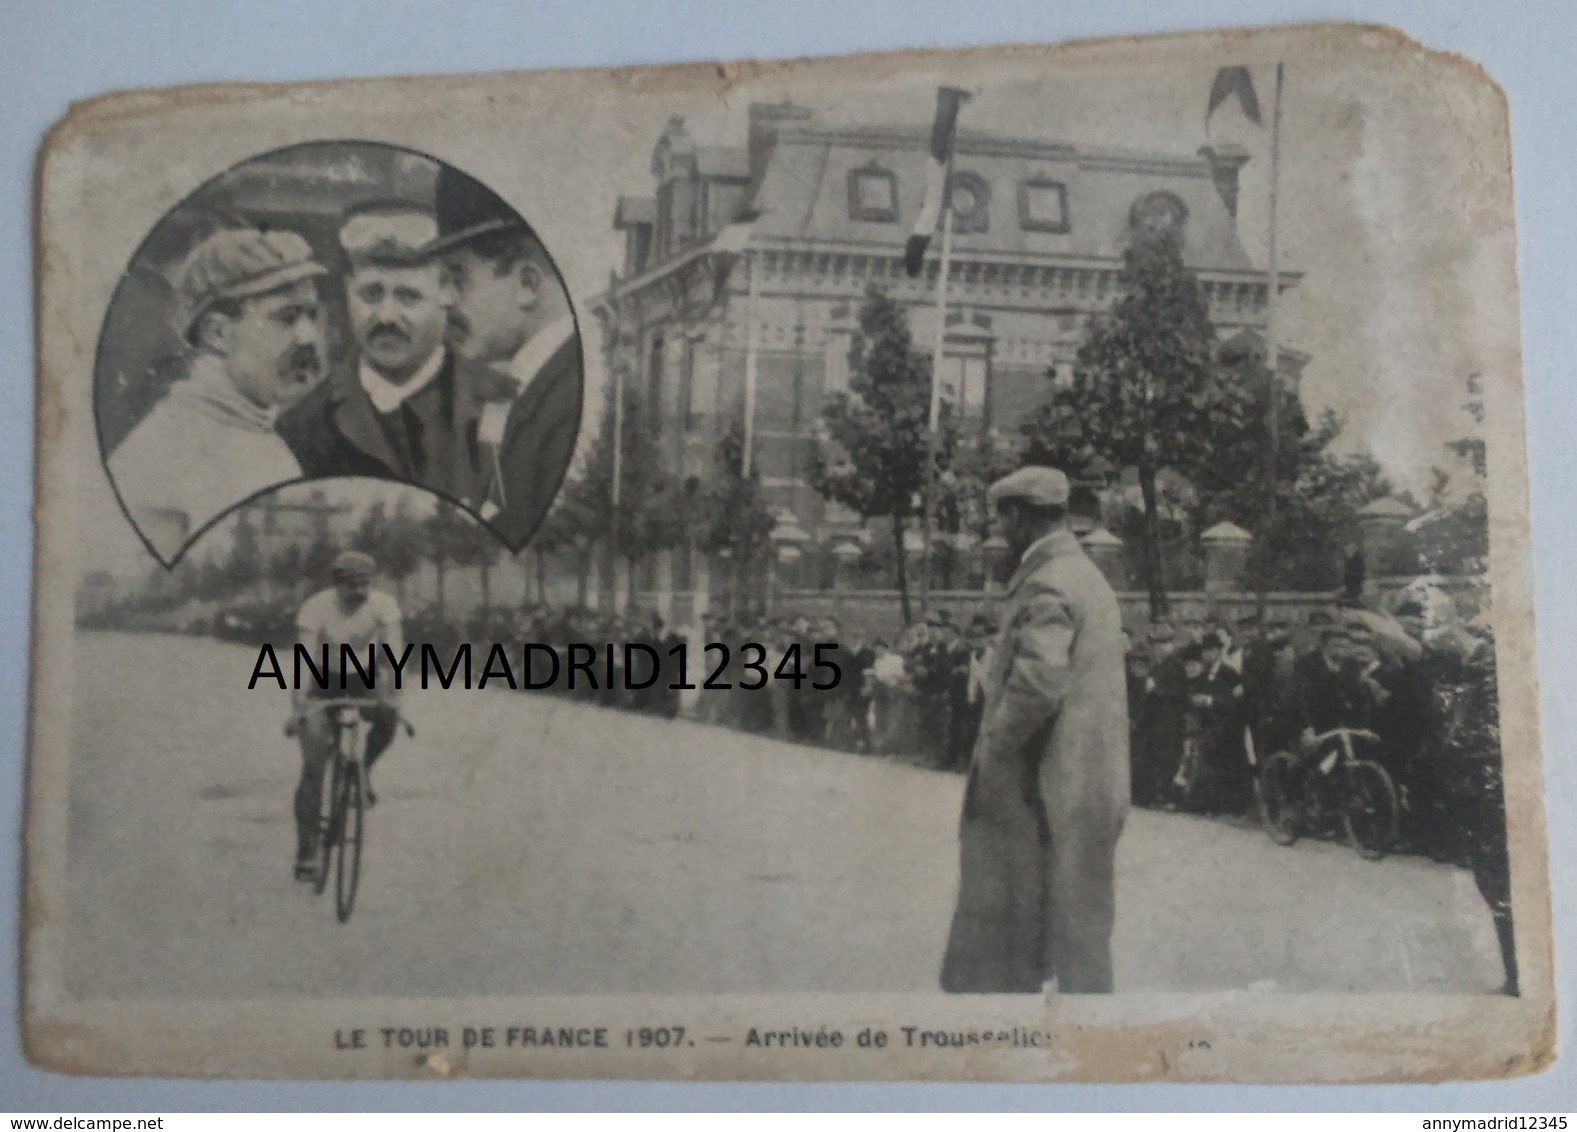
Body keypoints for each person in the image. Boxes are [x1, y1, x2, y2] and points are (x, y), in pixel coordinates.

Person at [942, 466, 1129, 994]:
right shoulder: (1088, 576)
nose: (1000, 530)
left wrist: (995, 747)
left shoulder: (1048, 578)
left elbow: (1039, 682)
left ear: (1019, 516)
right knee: (1078, 927)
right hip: (1085, 778)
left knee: (1029, 923)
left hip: (1044, 782)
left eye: (1003, 518)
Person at [109, 228, 328, 559]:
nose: (308, 337)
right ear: (218, 333)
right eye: (287, 317)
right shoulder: (185, 443)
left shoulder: (241, 425)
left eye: (311, 315)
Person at [278, 202, 503, 504]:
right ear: (348, 292)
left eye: (407, 296)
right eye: (371, 294)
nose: (386, 316)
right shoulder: (304, 425)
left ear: (448, 292)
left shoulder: (504, 405)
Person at [432, 168, 582, 547]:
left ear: (528, 285)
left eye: (458, 278)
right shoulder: (533, 386)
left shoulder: (567, 397)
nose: (444, 300)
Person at [285, 551, 404, 882]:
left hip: (363, 677)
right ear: (336, 584)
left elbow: (394, 652)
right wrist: (299, 707)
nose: (360, 591)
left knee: (388, 719)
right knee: (313, 768)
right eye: (352, 585)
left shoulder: (384, 605)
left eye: (366, 583)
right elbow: (302, 662)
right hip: (322, 681)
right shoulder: (315, 608)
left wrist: (394, 695)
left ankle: (363, 769)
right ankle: (306, 851)